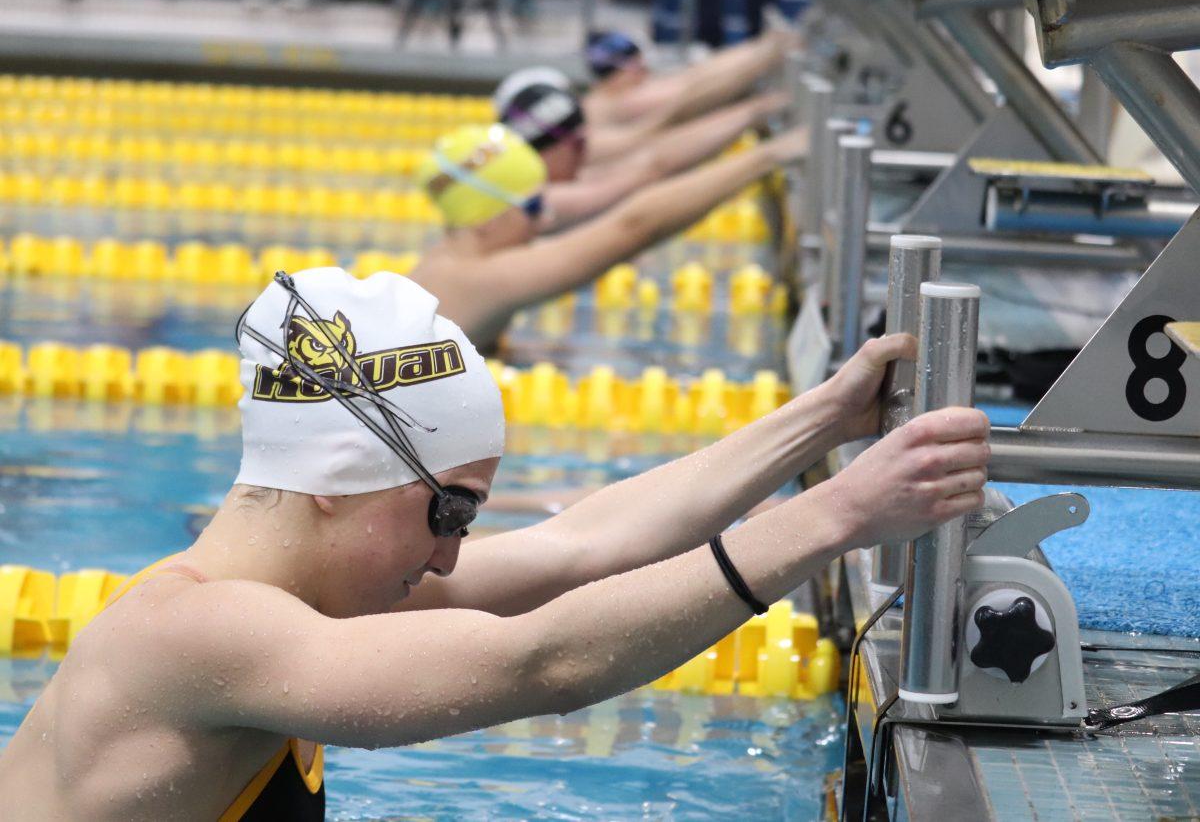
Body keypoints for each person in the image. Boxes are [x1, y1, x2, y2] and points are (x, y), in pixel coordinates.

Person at [0, 268, 990, 819]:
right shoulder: (194, 634)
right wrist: (834, 517)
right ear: (347, 478)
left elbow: (579, 548)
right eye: (452, 511)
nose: (447, 558)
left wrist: (820, 420)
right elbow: (545, 659)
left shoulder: (304, 612)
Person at [408, 122, 808, 350]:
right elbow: (632, 228)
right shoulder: (473, 280)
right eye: (531, 208)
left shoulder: (450, 264)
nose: (544, 220)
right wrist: (766, 157)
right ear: (485, 220)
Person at [499, 82, 790, 229]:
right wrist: (768, 152)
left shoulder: (540, 185)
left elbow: (651, 158)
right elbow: (637, 216)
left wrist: (754, 111)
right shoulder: (539, 201)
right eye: (578, 146)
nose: (584, 154)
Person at [581, 28, 797, 128]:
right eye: (639, 68)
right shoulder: (614, 103)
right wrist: (763, 57)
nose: (645, 74)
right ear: (617, 71)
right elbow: (690, 87)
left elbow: (692, 75)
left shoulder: (608, 94)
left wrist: (762, 48)